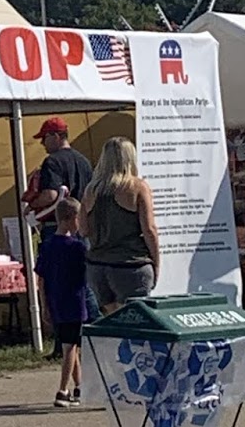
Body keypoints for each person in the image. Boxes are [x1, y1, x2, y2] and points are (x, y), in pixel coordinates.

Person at [80, 137, 159, 312]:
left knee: (112, 319)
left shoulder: (91, 190)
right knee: (135, 318)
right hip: (130, 264)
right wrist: (156, 262)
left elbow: (83, 229)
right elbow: (149, 229)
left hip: (97, 266)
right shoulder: (137, 187)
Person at [35, 198, 88, 408]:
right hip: (74, 302)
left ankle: (80, 386)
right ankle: (62, 390)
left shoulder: (47, 246)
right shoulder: (77, 247)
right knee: (70, 347)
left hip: (55, 301)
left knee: (71, 344)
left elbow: (41, 279)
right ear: (71, 219)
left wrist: (43, 305)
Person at [28, 118, 93, 233]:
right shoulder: (84, 161)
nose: (42, 143)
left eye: (44, 138)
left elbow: (50, 195)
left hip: (57, 227)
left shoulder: (52, 161)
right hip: (82, 225)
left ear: (56, 136)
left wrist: (32, 205)